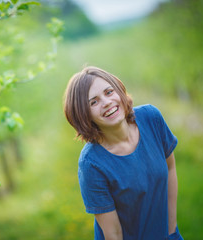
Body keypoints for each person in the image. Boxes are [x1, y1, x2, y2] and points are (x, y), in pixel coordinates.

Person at [63, 66, 183, 240]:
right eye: (93, 102)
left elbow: (170, 168)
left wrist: (171, 231)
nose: (106, 102)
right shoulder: (91, 164)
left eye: (109, 92)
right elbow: (113, 234)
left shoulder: (151, 118)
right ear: (84, 115)